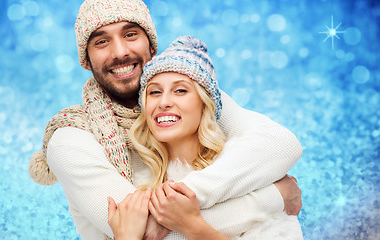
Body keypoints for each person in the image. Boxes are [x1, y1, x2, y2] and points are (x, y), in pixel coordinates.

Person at [28, 0, 303, 239]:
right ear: (86, 60)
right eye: (102, 41)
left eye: (131, 34)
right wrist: (275, 197)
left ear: (151, 45)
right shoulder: (71, 138)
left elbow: (281, 144)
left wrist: (182, 200)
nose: (120, 51)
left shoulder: (191, 94)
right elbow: (148, 232)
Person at [107, 36, 303, 239]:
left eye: (180, 90)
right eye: (154, 92)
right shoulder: (133, 185)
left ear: (205, 105)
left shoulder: (246, 173)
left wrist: (194, 226)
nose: (164, 102)